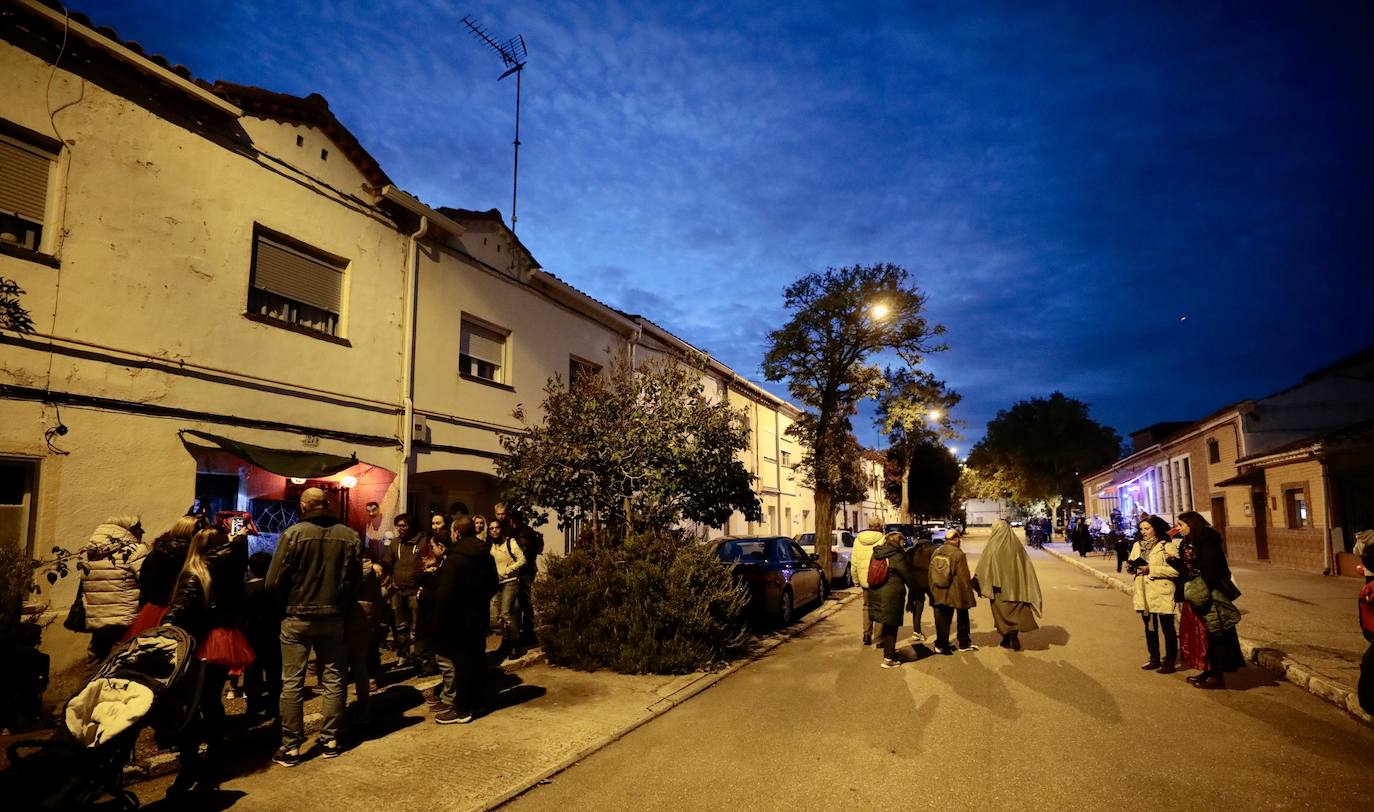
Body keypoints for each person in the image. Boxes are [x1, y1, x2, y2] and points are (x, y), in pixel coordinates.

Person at [265, 487, 363, 766]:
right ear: (327, 505)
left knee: (292, 682)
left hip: (297, 616)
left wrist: (285, 602)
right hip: (334, 616)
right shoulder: (350, 535)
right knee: (334, 679)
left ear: (304, 506)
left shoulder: (293, 534)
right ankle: (331, 739)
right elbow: (356, 578)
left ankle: (291, 746)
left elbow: (273, 582)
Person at [161, 527, 253, 796]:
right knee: (212, 701)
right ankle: (215, 755)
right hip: (224, 636)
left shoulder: (196, 571)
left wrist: (167, 627)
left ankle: (189, 763)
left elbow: (181, 609)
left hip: (200, 640)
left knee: (190, 704)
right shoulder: (230, 568)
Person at [429, 514, 499, 724]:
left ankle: (462, 709)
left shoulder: (455, 560)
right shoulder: (487, 556)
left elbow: (446, 595)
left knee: (462, 663)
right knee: (477, 659)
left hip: (458, 619)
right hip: (479, 616)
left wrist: (438, 622)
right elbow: (493, 585)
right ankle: (478, 702)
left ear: (457, 533)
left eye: (452, 531)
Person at [1172, 511, 1243, 690]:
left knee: (1213, 634)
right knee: (1198, 636)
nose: (1177, 529)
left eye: (1180, 525)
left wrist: (1198, 592)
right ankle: (1207, 670)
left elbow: (1212, 571)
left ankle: (1216, 675)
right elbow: (1185, 568)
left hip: (1209, 596)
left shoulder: (1208, 542)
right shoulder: (1187, 542)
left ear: (1191, 524)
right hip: (1193, 595)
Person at [79, 516, 147, 661]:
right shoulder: (134, 551)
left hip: (98, 617)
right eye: (140, 529)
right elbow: (146, 581)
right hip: (125, 618)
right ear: (132, 530)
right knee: (119, 661)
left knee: (95, 659)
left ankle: (88, 684)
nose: (143, 533)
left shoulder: (94, 551)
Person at [123, 516, 200, 640]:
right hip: (178, 611)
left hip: (153, 609)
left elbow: (144, 580)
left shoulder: (156, 552)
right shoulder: (190, 557)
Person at [974, 519, 1043, 651]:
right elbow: (1026, 566)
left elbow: (983, 568)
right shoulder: (1017, 546)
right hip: (1017, 588)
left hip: (998, 589)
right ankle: (1012, 636)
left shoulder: (992, 547)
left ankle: (1007, 636)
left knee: (1001, 613)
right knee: (1015, 613)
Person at [1128, 515, 1180, 673]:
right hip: (1143, 592)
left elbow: (1176, 571)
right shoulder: (1137, 545)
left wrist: (1151, 569)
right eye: (1141, 529)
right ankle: (1154, 658)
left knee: (1167, 628)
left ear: (1155, 528)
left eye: (1147, 528)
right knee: (1150, 628)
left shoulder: (1167, 546)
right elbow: (1133, 562)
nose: (1143, 532)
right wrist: (1131, 567)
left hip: (1162, 591)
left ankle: (1170, 661)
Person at [382, 513, 425, 672]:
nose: (401, 529)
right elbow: (388, 561)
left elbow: (428, 563)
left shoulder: (422, 543)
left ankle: (420, 656)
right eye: (398, 526)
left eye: (404, 525)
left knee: (418, 626)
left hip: (415, 591)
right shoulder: (395, 543)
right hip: (398, 590)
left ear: (411, 526)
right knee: (400, 626)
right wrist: (383, 570)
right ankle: (404, 654)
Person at [867, 531, 916, 668]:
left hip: (877, 592)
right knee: (891, 625)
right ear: (898, 541)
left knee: (886, 623)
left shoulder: (877, 552)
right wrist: (915, 591)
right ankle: (888, 659)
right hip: (892, 595)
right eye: (902, 540)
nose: (903, 543)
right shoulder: (898, 554)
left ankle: (890, 651)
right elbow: (907, 574)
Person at [242, 551, 280, 718]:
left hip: (251, 634)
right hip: (272, 633)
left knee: (252, 671)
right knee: (274, 671)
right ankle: (274, 705)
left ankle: (252, 705)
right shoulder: (274, 588)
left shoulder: (245, 589)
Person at [929, 528, 977, 654]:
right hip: (956, 591)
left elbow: (930, 573)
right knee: (962, 616)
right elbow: (963, 577)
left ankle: (941, 644)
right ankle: (964, 643)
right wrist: (968, 595)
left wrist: (933, 590)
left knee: (943, 619)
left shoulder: (937, 551)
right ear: (956, 539)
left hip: (940, 590)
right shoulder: (958, 554)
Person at [488, 520, 527, 658]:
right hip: (497, 584)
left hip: (510, 582)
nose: (494, 530)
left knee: (505, 613)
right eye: (491, 528)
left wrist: (508, 569)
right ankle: (506, 644)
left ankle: (517, 644)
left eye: (496, 528)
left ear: (501, 529)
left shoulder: (511, 543)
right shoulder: (491, 546)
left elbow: (522, 560)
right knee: (501, 616)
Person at [851, 518, 885, 646]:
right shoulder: (883, 539)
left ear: (869, 525)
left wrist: (855, 579)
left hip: (865, 581)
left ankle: (866, 634)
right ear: (880, 526)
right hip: (880, 580)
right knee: (880, 608)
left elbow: (854, 563)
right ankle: (880, 637)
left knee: (867, 607)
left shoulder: (858, 540)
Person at [905, 531, 935, 644]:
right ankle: (941, 632)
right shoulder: (933, 550)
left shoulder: (911, 551)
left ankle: (916, 631)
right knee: (936, 605)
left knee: (918, 606)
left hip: (915, 583)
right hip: (929, 582)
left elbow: (906, 568)